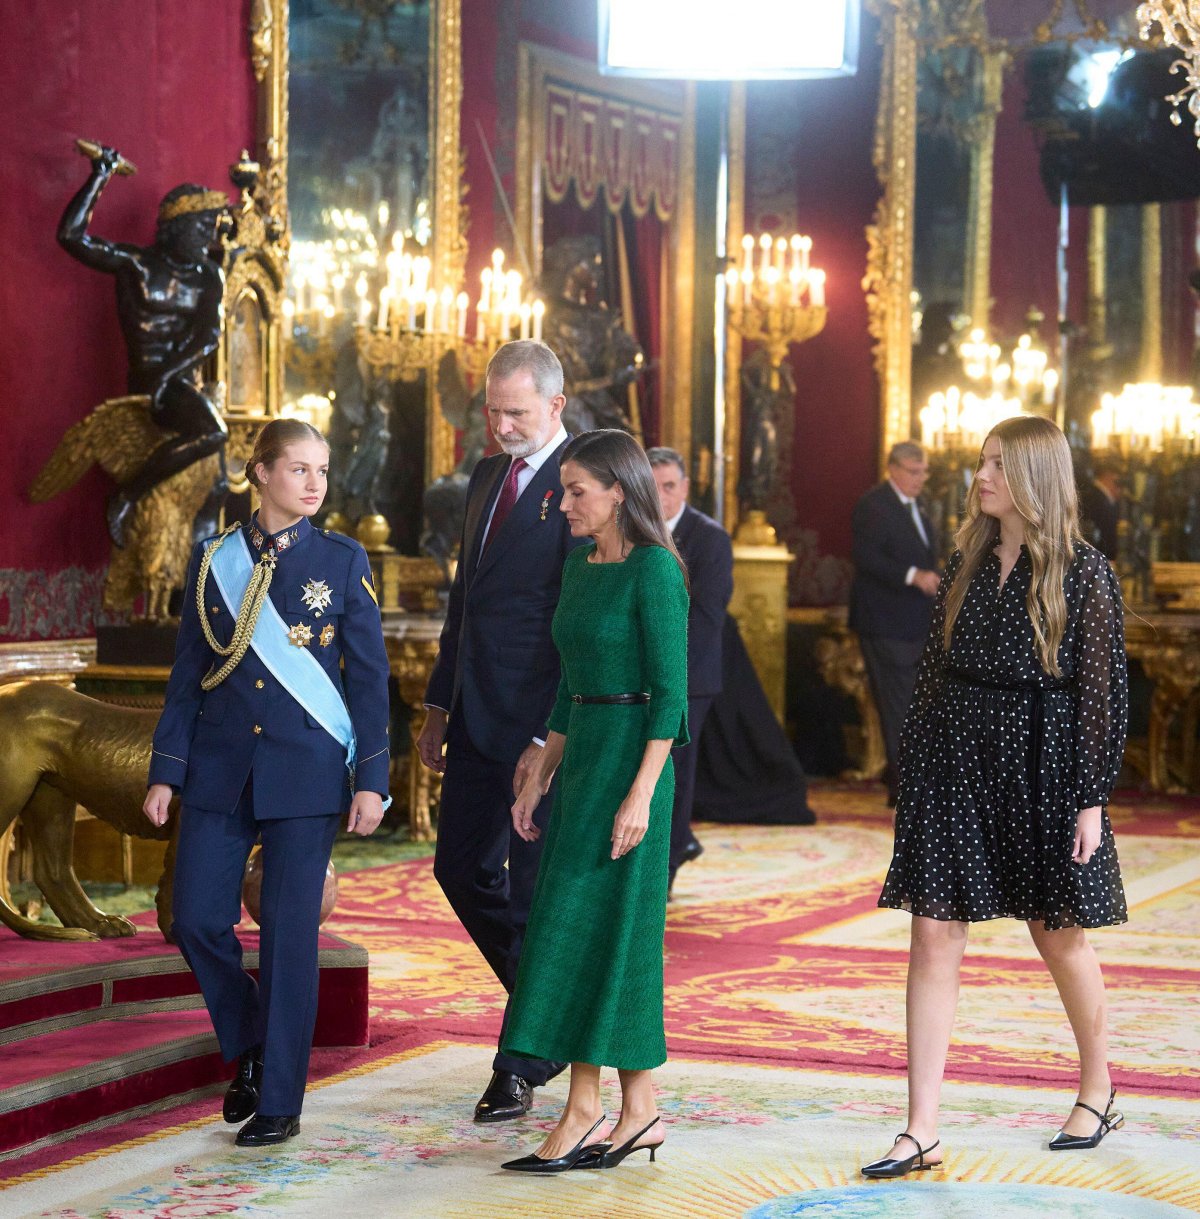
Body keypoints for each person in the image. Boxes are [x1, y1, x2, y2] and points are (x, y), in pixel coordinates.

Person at [863, 416, 1128, 1179]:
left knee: (1057, 933)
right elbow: (932, 674)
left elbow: (1101, 695)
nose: (979, 477)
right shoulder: (966, 560)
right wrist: (914, 772)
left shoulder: (1084, 572)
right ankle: (921, 1127)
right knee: (934, 932)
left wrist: (1089, 798)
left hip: (1043, 763)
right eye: (982, 463)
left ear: (1034, 480)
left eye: (995, 466)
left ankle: (1098, 1086)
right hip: (955, 758)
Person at [143, 418, 390, 1148]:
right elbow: (188, 673)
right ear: (260, 473)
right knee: (193, 918)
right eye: (299, 469)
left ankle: (279, 1100)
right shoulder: (212, 558)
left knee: (287, 936)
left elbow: (370, 683)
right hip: (220, 766)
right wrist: (167, 769)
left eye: (322, 469)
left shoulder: (342, 562)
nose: (315, 483)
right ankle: (252, 1035)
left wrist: (371, 779)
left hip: (306, 770)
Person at [500, 428, 689, 1173]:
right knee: (578, 928)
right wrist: (541, 768)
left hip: (635, 764)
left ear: (619, 491)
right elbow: (568, 680)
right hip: (582, 761)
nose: (564, 501)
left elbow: (670, 699)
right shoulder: (580, 566)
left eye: (577, 489)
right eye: (564, 488)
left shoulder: (656, 571)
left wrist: (641, 795)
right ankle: (636, 1109)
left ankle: (588, 1107)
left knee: (616, 930)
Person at [416, 340, 585, 1123]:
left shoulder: (583, 485)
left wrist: (546, 738)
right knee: (460, 871)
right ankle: (552, 1017)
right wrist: (437, 703)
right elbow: (466, 602)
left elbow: (574, 625)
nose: (501, 423)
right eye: (492, 409)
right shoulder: (488, 477)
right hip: (474, 713)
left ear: (555, 405)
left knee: (530, 888)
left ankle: (518, 1058)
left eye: (516, 411)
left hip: (541, 730)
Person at [58, 142, 230, 547]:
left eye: (211, 226)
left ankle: (131, 496)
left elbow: (209, 337)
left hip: (175, 383)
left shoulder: (209, 276)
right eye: (201, 227)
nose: (209, 236)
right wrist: (101, 174)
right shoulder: (136, 264)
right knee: (212, 433)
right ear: (176, 226)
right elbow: (71, 236)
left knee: (215, 446)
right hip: (144, 378)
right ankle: (127, 497)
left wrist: (167, 377)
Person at [646, 446, 733, 891]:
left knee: (674, 773)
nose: (660, 496)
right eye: (653, 485)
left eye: (669, 486)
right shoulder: (634, 530)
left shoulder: (710, 538)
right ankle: (672, 846)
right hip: (640, 678)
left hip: (688, 680)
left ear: (684, 487)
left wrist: (664, 668)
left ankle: (667, 867)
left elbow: (706, 619)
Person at [849, 441, 941, 805]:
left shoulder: (918, 506)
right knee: (898, 706)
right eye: (913, 471)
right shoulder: (873, 505)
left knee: (915, 704)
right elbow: (866, 557)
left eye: (924, 472)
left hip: (914, 623)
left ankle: (908, 781)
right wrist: (912, 575)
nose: (921, 479)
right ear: (893, 469)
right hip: (884, 622)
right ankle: (905, 790)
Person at [1078, 460, 1122, 559]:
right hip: (1099, 557)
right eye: (1117, 481)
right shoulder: (1096, 498)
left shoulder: (1094, 495)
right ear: (1108, 476)